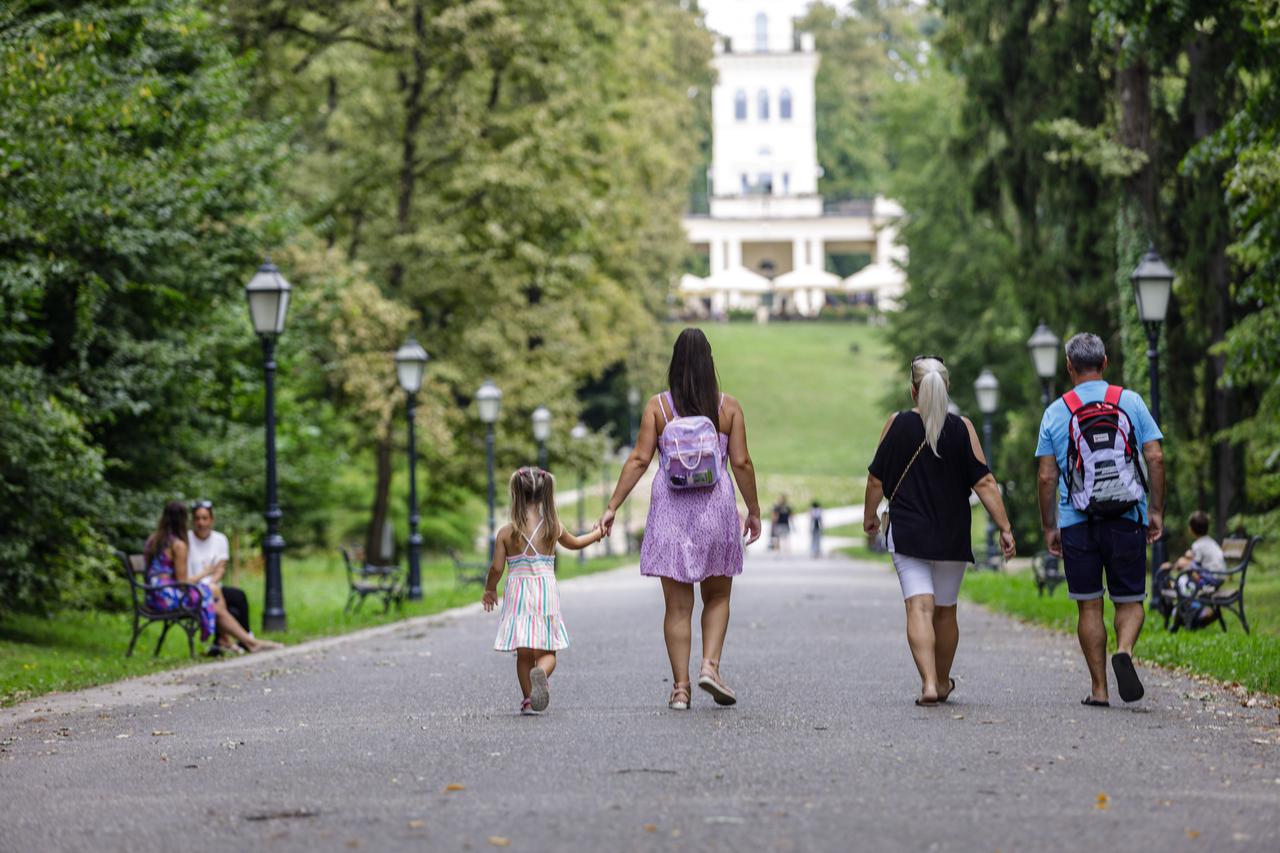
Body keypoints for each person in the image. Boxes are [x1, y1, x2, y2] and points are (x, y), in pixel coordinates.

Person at [599, 328, 763, 710]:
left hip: (671, 510)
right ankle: (710, 666)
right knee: (718, 595)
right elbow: (740, 462)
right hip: (715, 508)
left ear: (674, 363)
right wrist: (753, 510)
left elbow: (639, 459)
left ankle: (680, 689)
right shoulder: (728, 407)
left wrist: (612, 507)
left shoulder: (659, 408)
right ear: (710, 363)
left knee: (676, 607)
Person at [864, 356, 1016, 707]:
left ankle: (930, 683)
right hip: (952, 532)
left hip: (909, 531)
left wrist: (870, 516)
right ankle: (944, 681)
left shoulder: (897, 424)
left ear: (913, 390)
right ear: (946, 387)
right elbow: (985, 481)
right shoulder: (962, 427)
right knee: (945, 610)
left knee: (919, 607)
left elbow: (876, 478)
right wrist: (1005, 528)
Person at [1036, 333, 1164, 707]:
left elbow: (1046, 477)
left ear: (1069, 367)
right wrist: (1155, 510)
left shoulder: (1056, 412)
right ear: (1105, 362)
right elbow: (1155, 457)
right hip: (1128, 515)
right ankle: (1123, 649)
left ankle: (1099, 689)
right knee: (1130, 600)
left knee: (1089, 605)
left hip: (1077, 520)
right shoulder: (1131, 402)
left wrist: (1050, 526)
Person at [482, 467, 604, 715]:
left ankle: (529, 700)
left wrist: (490, 589)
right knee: (548, 651)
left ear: (516, 493)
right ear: (546, 493)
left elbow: (496, 568)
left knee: (523, 652)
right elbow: (577, 543)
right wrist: (598, 533)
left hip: (518, 593)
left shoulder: (506, 532)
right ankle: (543, 673)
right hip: (545, 593)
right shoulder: (553, 527)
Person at [143, 501, 281, 655]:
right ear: (183, 520)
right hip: (167, 597)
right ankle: (246, 642)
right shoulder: (178, 545)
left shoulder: (153, 540)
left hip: (153, 595)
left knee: (215, 597)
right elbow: (182, 584)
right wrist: (206, 572)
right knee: (212, 596)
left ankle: (233, 641)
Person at [187, 500, 252, 653]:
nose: (201, 523)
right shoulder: (187, 540)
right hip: (193, 588)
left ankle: (244, 638)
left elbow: (220, 569)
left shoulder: (220, 539)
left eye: (204, 518)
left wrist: (210, 583)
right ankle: (236, 641)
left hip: (213, 585)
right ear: (193, 521)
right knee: (218, 598)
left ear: (211, 520)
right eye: (197, 518)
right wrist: (205, 577)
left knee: (238, 597)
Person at [1166, 510, 1227, 625]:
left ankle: (1178, 588)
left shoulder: (1197, 545)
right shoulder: (1210, 541)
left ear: (1191, 529)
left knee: (1184, 565)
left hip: (1211, 578)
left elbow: (1196, 564)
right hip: (1219, 576)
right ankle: (1180, 588)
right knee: (1185, 564)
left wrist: (1182, 562)